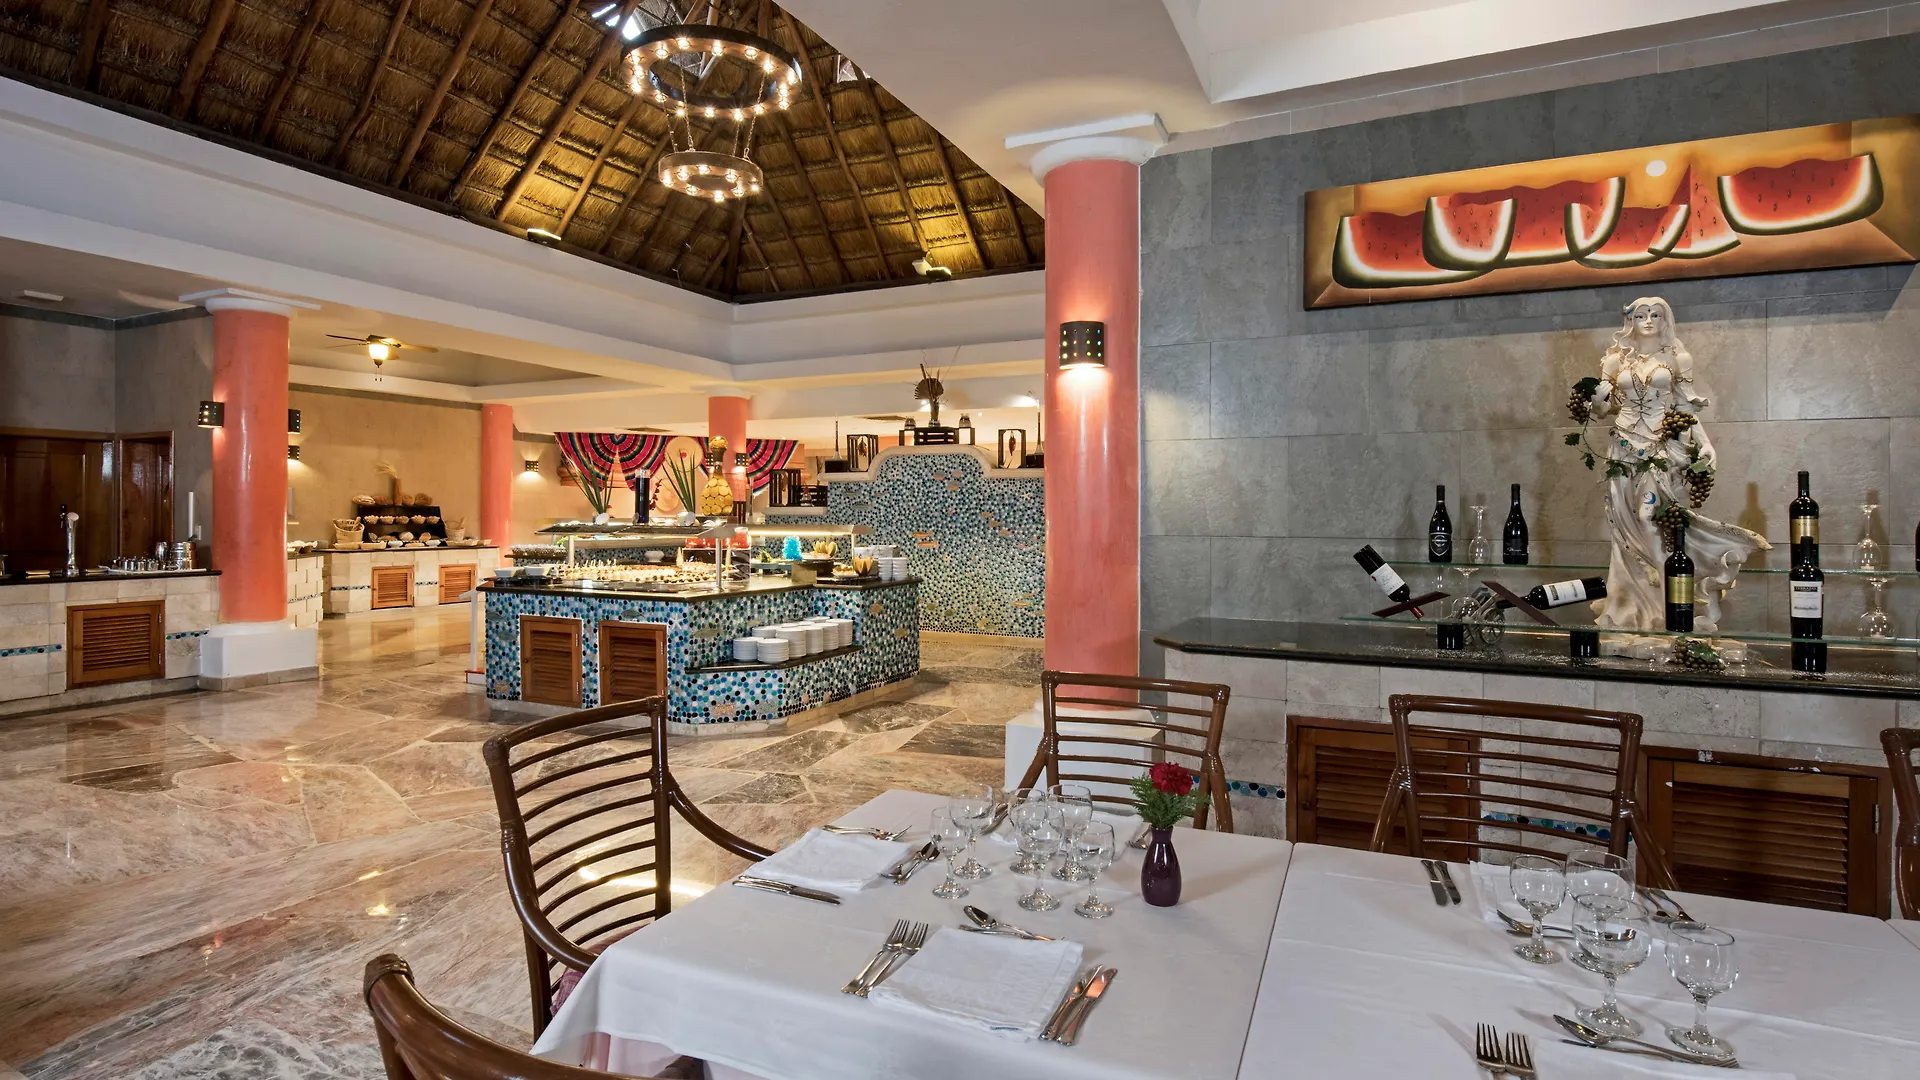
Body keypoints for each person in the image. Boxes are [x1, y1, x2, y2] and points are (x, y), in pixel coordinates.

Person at [1574, 297, 1768, 630]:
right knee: (1622, 526)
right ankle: (1630, 606)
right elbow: (1604, 410)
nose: (1648, 320)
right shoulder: (1615, 360)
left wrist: (1705, 443)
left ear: (1665, 321)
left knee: (1650, 518)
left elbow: (1685, 407)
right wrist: (1595, 401)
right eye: (1641, 315)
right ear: (1631, 321)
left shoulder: (1678, 358)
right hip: (1622, 449)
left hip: (1660, 447)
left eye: (1655, 315)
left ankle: (1668, 604)